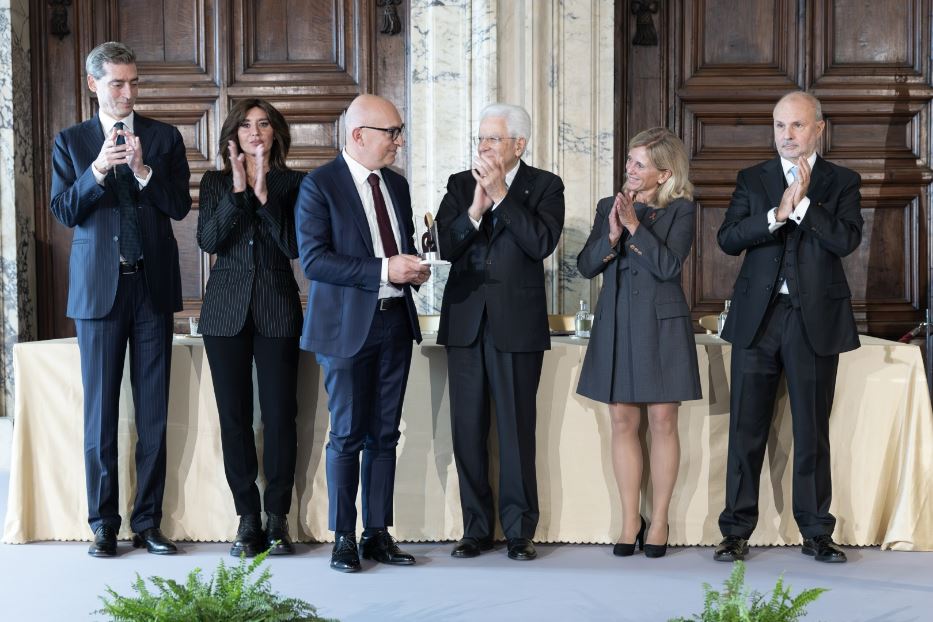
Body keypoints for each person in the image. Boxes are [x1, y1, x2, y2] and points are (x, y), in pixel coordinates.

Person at [49, 41, 191, 557]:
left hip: (151, 289)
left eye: (133, 83)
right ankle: (103, 523)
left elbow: (178, 207)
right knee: (101, 414)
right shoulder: (70, 142)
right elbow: (64, 211)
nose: (128, 93)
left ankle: (148, 522)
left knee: (153, 413)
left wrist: (144, 170)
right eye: (117, 83)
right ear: (94, 85)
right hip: (99, 294)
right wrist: (99, 171)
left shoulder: (165, 137)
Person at [714, 91, 862, 564]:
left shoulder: (841, 181)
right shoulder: (752, 179)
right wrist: (777, 214)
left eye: (797, 126)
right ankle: (735, 531)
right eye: (780, 126)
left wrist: (803, 209)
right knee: (746, 429)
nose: (787, 136)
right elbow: (728, 238)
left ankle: (816, 531)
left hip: (814, 320)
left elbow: (845, 239)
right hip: (759, 322)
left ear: (819, 128)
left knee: (812, 430)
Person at [295, 94, 430, 573]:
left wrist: (413, 268)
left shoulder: (396, 185)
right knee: (347, 434)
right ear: (358, 135)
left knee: (385, 433)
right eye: (391, 132)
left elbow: (402, 247)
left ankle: (377, 532)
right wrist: (383, 268)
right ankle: (344, 538)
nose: (398, 141)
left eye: (399, 131)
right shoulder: (319, 185)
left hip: (395, 321)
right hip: (346, 328)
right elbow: (314, 260)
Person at [436, 103, 565, 562]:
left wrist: (503, 195)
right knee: (467, 429)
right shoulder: (457, 184)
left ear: (519, 145)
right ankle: (475, 528)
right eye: (481, 138)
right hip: (466, 322)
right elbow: (445, 247)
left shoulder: (546, 186)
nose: (484, 147)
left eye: (493, 139)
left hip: (517, 324)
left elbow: (540, 243)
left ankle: (518, 530)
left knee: (515, 431)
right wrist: (475, 206)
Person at [576, 127, 701, 559]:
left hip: (661, 326)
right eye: (629, 162)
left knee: (663, 420)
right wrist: (612, 235)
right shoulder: (606, 207)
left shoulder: (681, 210)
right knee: (623, 421)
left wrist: (634, 227)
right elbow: (586, 266)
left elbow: (668, 267)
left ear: (665, 174)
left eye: (639, 164)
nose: (629, 170)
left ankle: (660, 519)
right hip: (616, 324)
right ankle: (631, 519)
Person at [197, 99, 304, 558]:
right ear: (233, 136)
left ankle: (277, 518)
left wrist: (262, 198)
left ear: (276, 133)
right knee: (234, 417)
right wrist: (240, 193)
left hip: (277, 307)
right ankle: (247, 517)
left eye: (263, 124)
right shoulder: (216, 181)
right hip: (224, 313)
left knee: (280, 416)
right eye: (246, 125)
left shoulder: (297, 183)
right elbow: (208, 241)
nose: (255, 132)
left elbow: (294, 246)